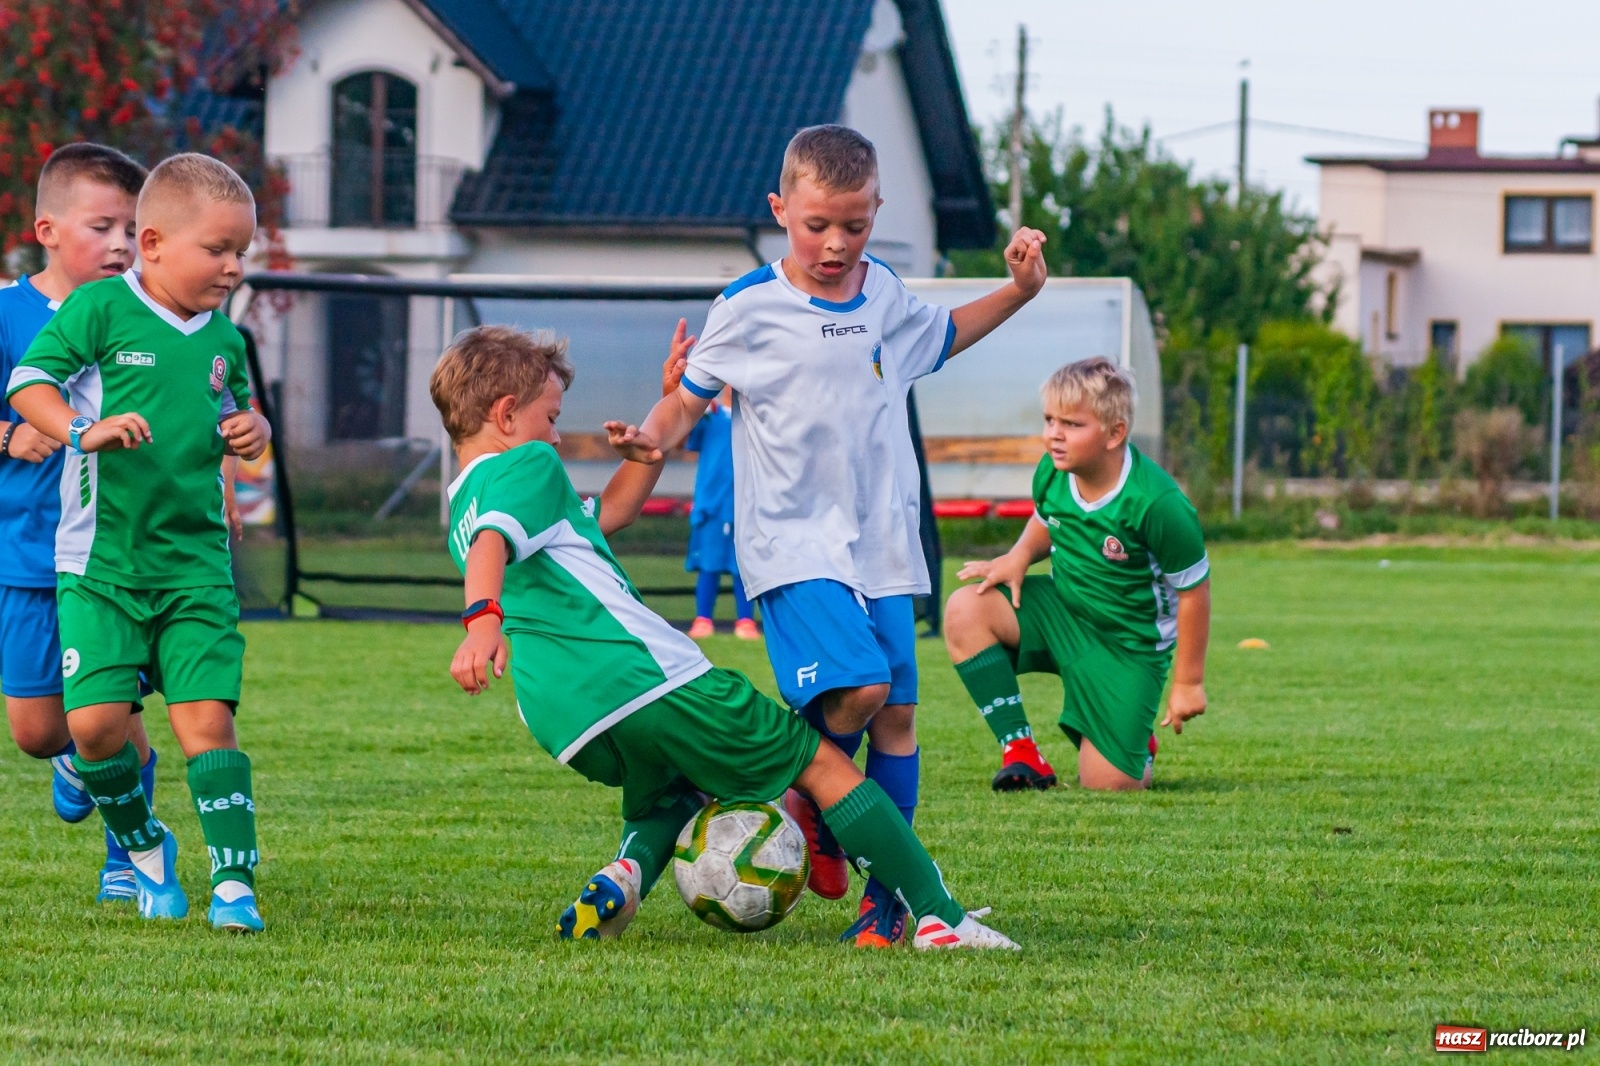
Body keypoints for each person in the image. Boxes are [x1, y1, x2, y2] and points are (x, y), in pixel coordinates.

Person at [433, 323, 1017, 950]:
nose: (555, 435)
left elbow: (604, 516)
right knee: (820, 764)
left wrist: (654, 441)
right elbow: (494, 543)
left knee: (674, 790)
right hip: (644, 681)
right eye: (550, 418)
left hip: (565, 719)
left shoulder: (465, 501)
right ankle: (939, 917)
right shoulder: (527, 464)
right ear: (506, 414)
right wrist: (482, 621)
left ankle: (624, 875)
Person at [606, 124, 1047, 946]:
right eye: (817, 226)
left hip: (883, 544)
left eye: (855, 223)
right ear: (781, 210)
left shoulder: (884, 293)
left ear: (877, 209)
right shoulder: (746, 308)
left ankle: (886, 910)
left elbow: (943, 336)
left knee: (898, 720)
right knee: (864, 689)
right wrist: (649, 438)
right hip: (791, 545)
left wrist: (1019, 291)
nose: (837, 243)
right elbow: (686, 400)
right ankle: (808, 789)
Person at [7, 153, 273, 932]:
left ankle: (234, 885)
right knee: (87, 729)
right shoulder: (98, 310)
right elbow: (29, 384)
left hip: (193, 567)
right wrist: (81, 432)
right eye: (217, 250)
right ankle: (146, 848)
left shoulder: (227, 339)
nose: (232, 267)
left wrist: (251, 431)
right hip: (96, 567)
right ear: (154, 245)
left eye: (241, 252)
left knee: (205, 722)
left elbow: (237, 414)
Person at [0, 143, 162, 904]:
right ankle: (75, 760)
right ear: (48, 231)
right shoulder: (8, 315)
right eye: (103, 228)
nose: (122, 245)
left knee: (114, 712)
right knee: (38, 732)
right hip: (29, 557)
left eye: (133, 229)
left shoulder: (145, 315)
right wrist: (10, 434)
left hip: (117, 557)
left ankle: (130, 858)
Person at [942, 357, 1211, 792]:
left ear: (1114, 433)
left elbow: (1194, 591)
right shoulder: (1053, 470)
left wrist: (1188, 683)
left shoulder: (1157, 502)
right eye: (1049, 420)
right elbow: (1047, 519)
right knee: (965, 609)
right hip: (1062, 614)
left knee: (1109, 785)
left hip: (1127, 646)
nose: (1054, 433)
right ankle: (1021, 750)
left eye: (1071, 424)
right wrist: (1018, 557)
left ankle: (1134, 740)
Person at [683, 387, 758, 640]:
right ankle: (703, 619)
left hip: (747, 506)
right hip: (711, 506)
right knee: (708, 564)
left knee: (744, 568)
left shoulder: (757, 414)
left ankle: (746, 621)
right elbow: (684, 439)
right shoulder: (708, 414)